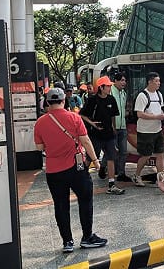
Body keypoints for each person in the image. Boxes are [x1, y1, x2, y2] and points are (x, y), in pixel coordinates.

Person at [33, 87, 107, 253]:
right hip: (76, 168)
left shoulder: (40, 122)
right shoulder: (74, 118)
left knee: (60, 205)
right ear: (63, 101)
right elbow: (86, 141)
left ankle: (67, 242)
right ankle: (87, 237)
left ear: (47, 102)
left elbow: (39, 147)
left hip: (53, 171)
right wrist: (95, 160)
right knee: (85, 198)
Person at [80, 76, 124, 195]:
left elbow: (113, 115)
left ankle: (111, 184)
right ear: (101, 87)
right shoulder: (92, 100)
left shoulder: (111, 99)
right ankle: (81, 181)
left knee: (111, 157)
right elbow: (82, 115)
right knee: (90, 158)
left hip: (109, 134)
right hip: (95, 134)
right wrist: (92, 124)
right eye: (108, 86)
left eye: (110, 85)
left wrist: (114, 128)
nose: (110, 88)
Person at [132, 72, 164, 191]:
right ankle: (137, 176)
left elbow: (160, 109)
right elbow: (139, 114)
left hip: (158, 129)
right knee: (146, 155)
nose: (159, 83)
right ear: (150, 81)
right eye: (156, 81)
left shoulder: (159, 94)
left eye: (159, 81)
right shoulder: (142, 96)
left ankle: (161, 179)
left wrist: (162, 115)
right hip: (145, 131)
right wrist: (156, 117)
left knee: (160, 154)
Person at [110, 72, 131, 182]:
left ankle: (121, 173)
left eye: (125, 80)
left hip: (122, 125)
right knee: (112, 150)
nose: (124, 83)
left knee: (123, 151)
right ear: (116, 81)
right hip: (112, 126)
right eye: (122, 80)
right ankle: (104, 168)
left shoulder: (124, 93)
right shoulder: (110, 92)